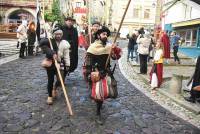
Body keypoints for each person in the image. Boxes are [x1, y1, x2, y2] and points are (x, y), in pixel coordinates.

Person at [85, 26, 121, 124]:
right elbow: (88, 61)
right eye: (103, 34)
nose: (105, 36)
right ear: (98, 35)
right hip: (96, 72)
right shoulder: (93, 47)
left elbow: (116, 57)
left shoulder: (109, 46)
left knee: (110, 92)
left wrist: (115, 49)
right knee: (99, 94)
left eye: (106, 34)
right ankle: (98, 113)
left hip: (106, 72)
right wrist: (89, 74)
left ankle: (99, 105)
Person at [39, 28, 70, 105]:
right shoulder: (49, 41)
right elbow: (43, 47)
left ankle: (54, 88)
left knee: (60, 80)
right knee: (50, 80)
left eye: (60, 34)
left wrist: (68, 64)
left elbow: (66, 55)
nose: (58, 36)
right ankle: (49, 96)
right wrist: (52, 53)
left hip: (61, 63)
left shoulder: (65, 43)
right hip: (51, 63)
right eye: (57, 34)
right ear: (54, 34)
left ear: (62, 35)